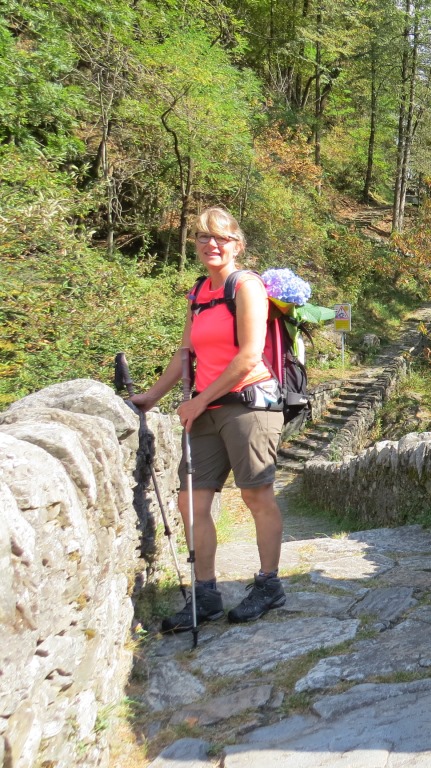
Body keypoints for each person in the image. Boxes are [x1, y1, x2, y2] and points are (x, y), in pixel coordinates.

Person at [131, 206, 286, 631]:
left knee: (256, 496)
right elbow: (186, 353)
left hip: (249, 405)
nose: (211, 244)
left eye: (221, 238)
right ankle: (206, 595)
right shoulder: (199, 292)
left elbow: (248, 356)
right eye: (203, 237)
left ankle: (269, 585)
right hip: (208, 408)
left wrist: (199, 402)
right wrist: (152, 396)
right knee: (191, 502)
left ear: (237, 245)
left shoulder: (247, 286)